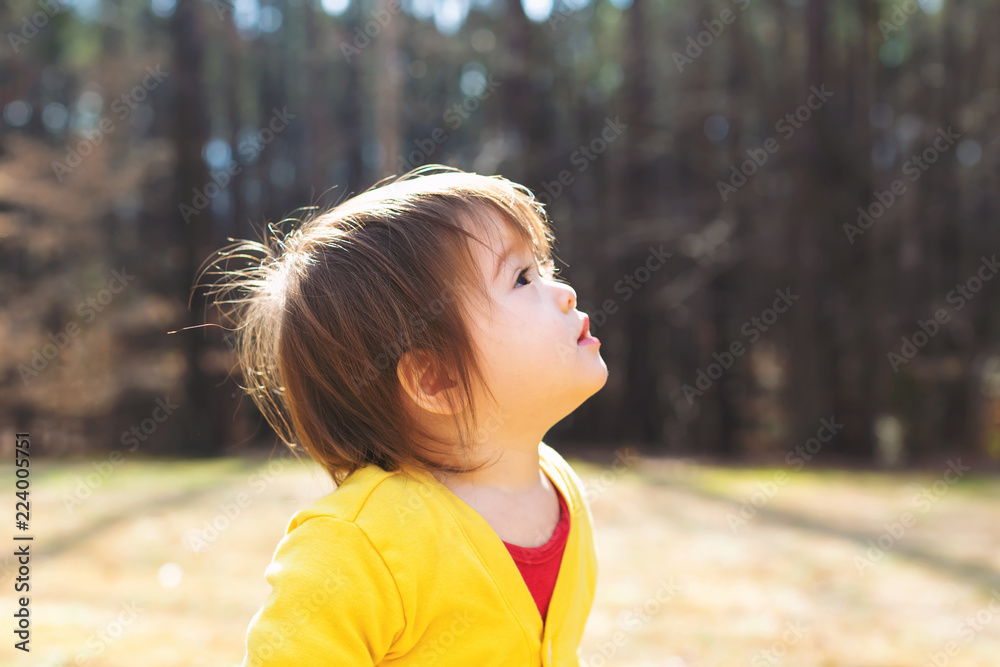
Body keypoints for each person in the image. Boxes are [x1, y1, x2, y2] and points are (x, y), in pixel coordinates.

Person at [204, 165, 608, 665]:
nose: (564, 291)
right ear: (436, 381)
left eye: (542, 266)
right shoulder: (356, 545)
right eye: (522, 278)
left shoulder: (560, 487)